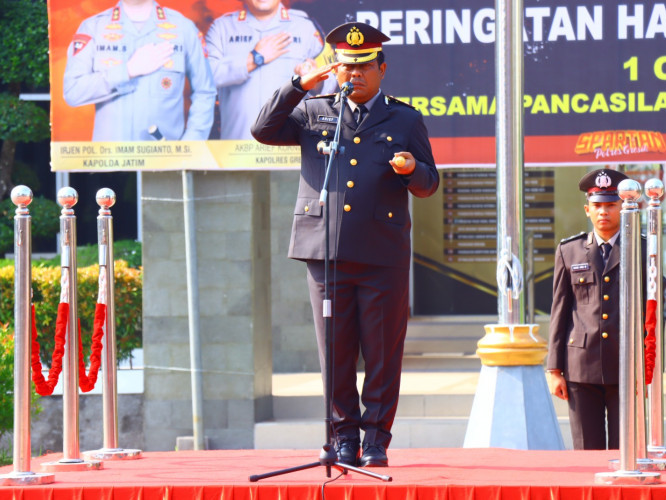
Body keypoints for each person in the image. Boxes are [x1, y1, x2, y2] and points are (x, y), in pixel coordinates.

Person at [251, 22, 439, 467]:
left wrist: (412, 168)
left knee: (381, 353)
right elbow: (262, 128)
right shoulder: (314, 110)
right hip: (326, 252)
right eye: (345, 66)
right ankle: (343, 439)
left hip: (382, 256)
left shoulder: (404, 118)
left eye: (362, 67)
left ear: (381, 69)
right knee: (333, 353)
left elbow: (429, 184)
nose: (352, 74)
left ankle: (375, 439)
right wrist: (300, 84)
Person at [547, 168, 636, 450]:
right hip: (580, 369)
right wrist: (554, 368)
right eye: (597, 206)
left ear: (623, 208)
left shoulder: (642, 249)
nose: (603, 212)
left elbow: (652, 314)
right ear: (587, 209)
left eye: (610, 205)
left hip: (626, 365)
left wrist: (649, 368)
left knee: (627, 453)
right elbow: (560, 311)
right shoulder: (568, 251)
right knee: (587, 452)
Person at [63, 0, 216, 141]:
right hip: (110, 160)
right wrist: (128, 70)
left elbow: (205, 91)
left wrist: (191, 144)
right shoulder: (92, 28)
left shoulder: (184, 28)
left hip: (165, 161)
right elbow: (73, 91)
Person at [206, 0, 329, 140]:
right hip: (238, 147)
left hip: (290, 146)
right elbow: (206, 78)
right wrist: (254, 58)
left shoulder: (306, 27)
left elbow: (331, 82)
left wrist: (315, 81)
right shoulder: (222, 27)